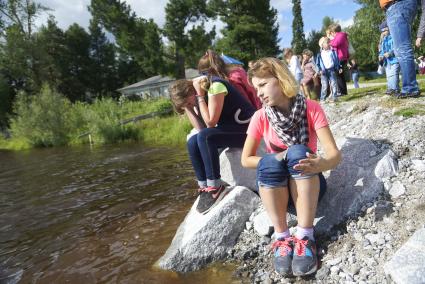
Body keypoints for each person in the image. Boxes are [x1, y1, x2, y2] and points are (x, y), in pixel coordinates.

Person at [241, 57, 341, 277]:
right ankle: (283, 237)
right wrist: (279, 158)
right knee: (270, 160)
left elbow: (334, 155)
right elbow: (246, 159)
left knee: (297, 152)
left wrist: (321, 163)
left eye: (262, 85)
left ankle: (306, 236)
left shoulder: (311, 108)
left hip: (309, 187)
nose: (258, 93)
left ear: (280, 79)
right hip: (279, 195)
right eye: (255, 88)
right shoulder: (260, 117)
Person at [169, 59, 256, 214]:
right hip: (231, 128)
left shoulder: (215, 86)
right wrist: (188, 107)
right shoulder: (195, 96)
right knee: (192, 141)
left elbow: (210, 123)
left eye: (188, 102)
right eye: (186, 106)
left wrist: (200, 97)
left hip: (248, 131)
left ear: (191, 92)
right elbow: (200, 128)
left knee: (206, 137)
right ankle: (204, 186)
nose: (190, 105)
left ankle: (216, 186)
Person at [379, 0, 420, 98]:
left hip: (397, 5)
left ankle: (410, 88)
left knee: (402, 49)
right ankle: (409, 87)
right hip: (397, 6)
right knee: (401, 50)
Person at [316, 37, 342, 103]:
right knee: (324, 85)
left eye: (329, 42)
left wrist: (339, 67)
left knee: (334, 83)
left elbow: (337, 60)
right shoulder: (320, 54)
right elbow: (317, 64)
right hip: (323, 72)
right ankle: (322, 99)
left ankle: (334, 97)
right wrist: (319, 70)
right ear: (322, 45)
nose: (329, 44)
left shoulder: (332, 52)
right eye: (327, 43)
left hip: (332, 70)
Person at [378, 20, 400, 96]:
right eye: (382, 32)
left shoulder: (394, 38)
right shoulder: (383, 40)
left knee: (394, 74)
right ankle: (390, 88)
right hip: (387, 62)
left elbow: (397, 48)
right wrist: (380, 55)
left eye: (384, 31)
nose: (383, 33)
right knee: (389, 76)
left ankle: (395, 89)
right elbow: (382, 50)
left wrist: (390, 53)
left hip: (394, 60)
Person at [327, 23, 349, 96]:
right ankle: (343, 91)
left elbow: (335, 43)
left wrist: (329, 42)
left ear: (334, 31)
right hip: (340, 57)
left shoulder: (341, 35)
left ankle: (342, 92)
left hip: (341, 57)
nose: (331, 35)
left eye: (331, 33)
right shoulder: (340, 35)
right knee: (340, 75)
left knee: (339, 75)